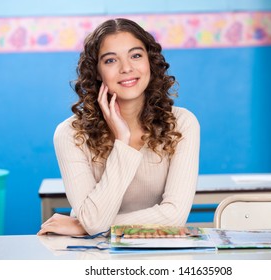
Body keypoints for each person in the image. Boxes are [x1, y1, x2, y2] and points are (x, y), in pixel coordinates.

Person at [38, 18, 200, 236]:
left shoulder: (181, 124)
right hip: (90, 255)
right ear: (96, 71)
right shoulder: (71, 134)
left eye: (136, 55)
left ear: (149, 62)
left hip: (156, 249)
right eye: (110, 60)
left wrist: (84, 226)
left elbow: (174, 216)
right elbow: (94, 223)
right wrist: (122, 140)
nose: (126, 68)